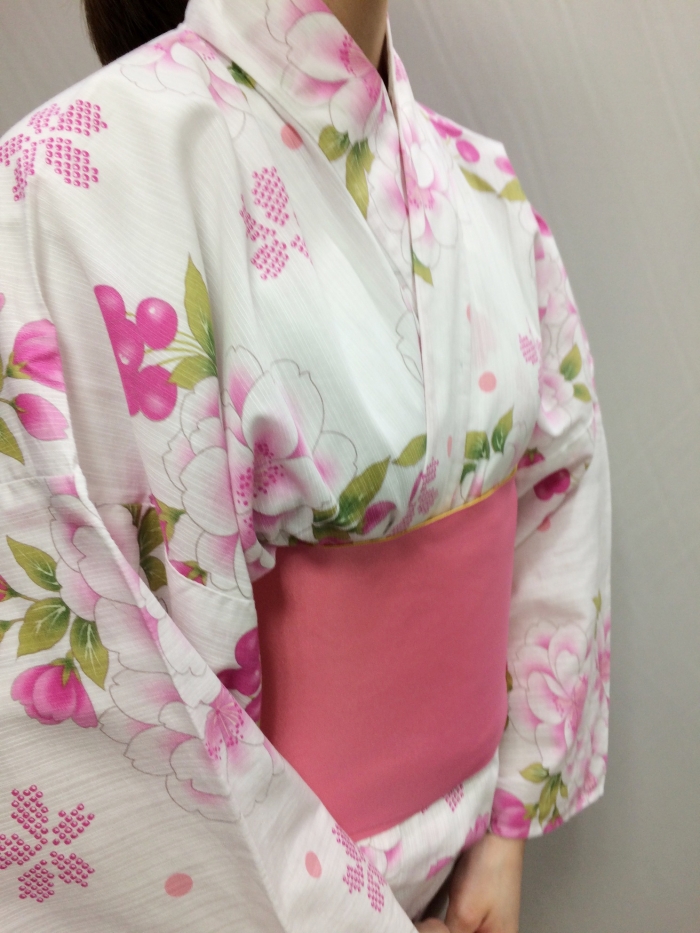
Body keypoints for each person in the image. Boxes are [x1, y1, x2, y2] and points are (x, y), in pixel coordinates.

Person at [0, 1, 611, 930]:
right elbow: (80, 691)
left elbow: (557, 491)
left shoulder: (483, 183)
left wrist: (503, 833)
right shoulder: (64, 182)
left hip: (466, 877)